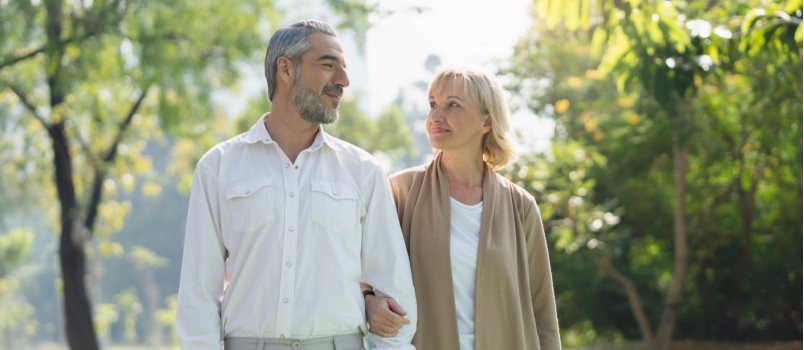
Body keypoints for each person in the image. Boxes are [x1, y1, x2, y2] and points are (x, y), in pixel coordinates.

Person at [175, 19, 417, 350]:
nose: (343, 81)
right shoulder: (218, 168)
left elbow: (395, 297)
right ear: (286, 70)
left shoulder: (362, 171)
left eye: (344, 69)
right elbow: (197, 295)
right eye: (328, 65)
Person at [364, 68, 561, 349]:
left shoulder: (520, 206)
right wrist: (368, 302)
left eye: (453, 104)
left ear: (487, 121)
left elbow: (543, 311)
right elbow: (359, 273)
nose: (436, 116)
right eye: (433, 104)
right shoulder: (399, 191)